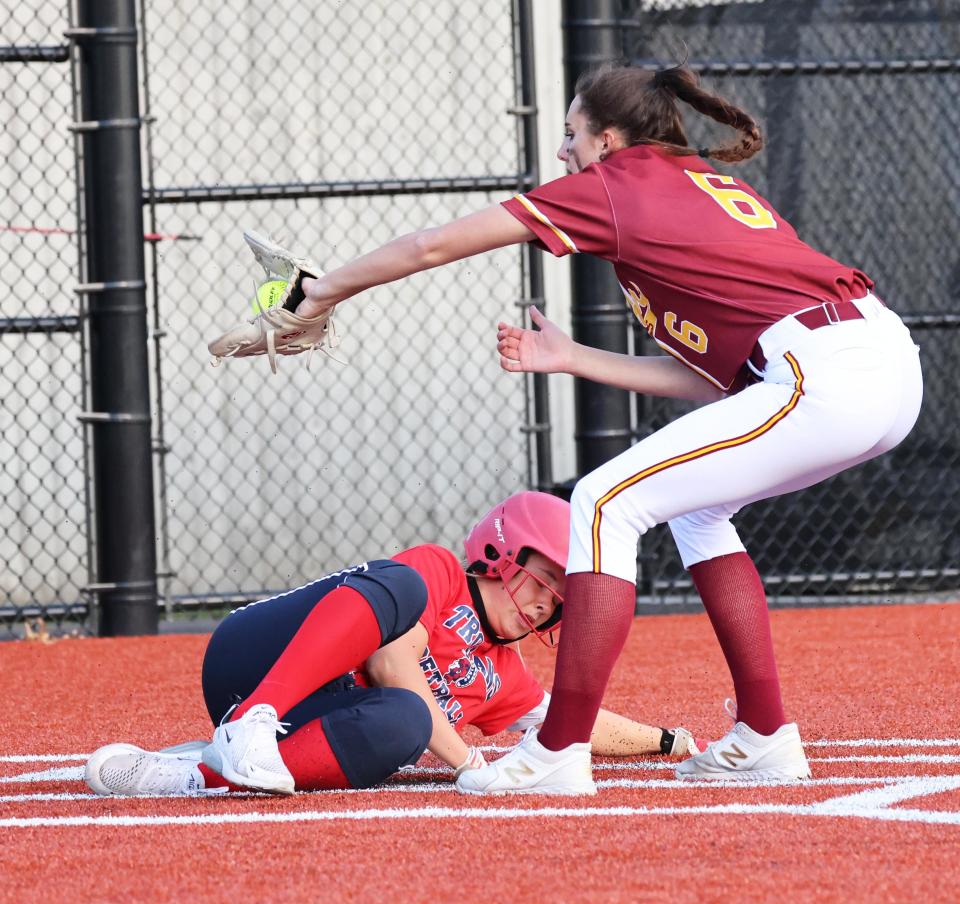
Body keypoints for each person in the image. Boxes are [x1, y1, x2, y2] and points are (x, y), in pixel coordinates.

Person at [207, 61, 921, 795]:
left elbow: (432, 245)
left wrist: (318, 292)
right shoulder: (696, 184)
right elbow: (719, 379)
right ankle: (766, 733)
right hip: (871, 364)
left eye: (572, 133)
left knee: (605, 502)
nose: (562, 152)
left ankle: (557, 751)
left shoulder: (618, 182)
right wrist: (573, 357)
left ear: (609, 140)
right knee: (699, 514)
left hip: (825, 369)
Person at [84, 491, 700, 797]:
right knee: (399, 586)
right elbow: (389, 658)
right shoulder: (438, 571)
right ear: (505, 549)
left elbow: (574, 721)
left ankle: (198, 776)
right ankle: (249, 720)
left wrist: (670, 741)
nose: (549, 601)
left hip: (314, 722)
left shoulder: (503, 673)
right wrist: (467, 763)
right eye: (550, 577)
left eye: (563, 598)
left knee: (404, 723)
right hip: (254, 658)